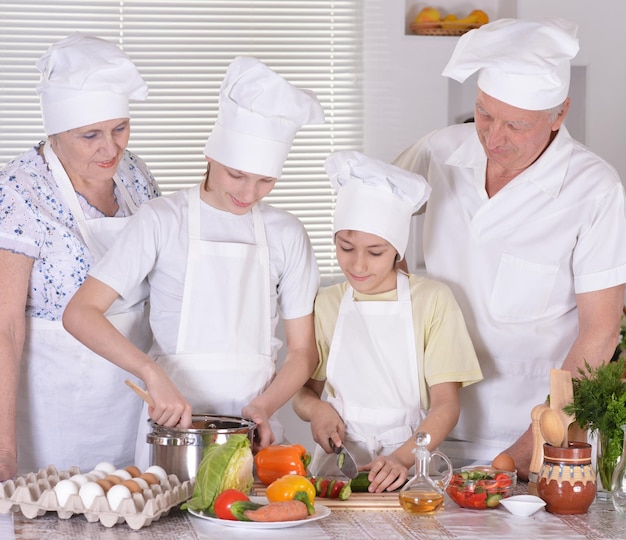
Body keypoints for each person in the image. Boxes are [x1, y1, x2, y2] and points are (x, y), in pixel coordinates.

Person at [62, 56, 325, 468]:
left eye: (265, 180)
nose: (249, 193)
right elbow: (80, 314)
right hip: (172, 432)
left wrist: (264, 407)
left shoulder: (287, 233)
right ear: (211, 154)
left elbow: (301, 351)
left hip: (250, 432)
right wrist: (152, 375)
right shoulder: (163, 220)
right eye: (236, 174)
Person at [393, 18, 626, 480]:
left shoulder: (594, 188)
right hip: (427, 422)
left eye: (516, 125)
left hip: (532, 437)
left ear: (559, 114)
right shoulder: (440, 152)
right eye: (484, 114)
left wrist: (529, 447)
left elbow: (600, 332)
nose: (493, 138)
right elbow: (372, 229)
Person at [0, 33, 160, 480]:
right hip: (57, 413)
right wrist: (4, 450)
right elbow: (5, 328)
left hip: (134, 400)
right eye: (90, 135)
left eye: (119, 129)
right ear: (55, 130)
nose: (110, 149)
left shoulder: (135, 174)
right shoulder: (21, 189)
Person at [292, 151, 483, 493]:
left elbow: (446, 405)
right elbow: (303, 393)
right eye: (345, 247)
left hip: (411, 468)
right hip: (338, 469)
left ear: (397, 249)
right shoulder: (328, 302)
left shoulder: (433, 300)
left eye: (375, 252)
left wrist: (403, 458)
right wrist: (317, 410)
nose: (358, 265)